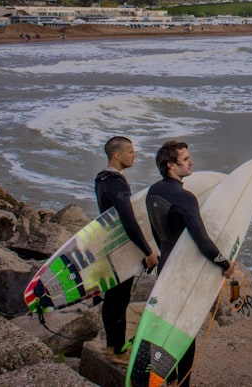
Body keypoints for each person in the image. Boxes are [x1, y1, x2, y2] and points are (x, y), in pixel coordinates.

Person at [146, 140, 235, 387]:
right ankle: (181, 383)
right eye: (185, 159)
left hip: (165, 267)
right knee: (185, 330)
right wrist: (224, 264)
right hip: (183, 272)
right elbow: (202, 241)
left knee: (165, 326)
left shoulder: (153, 191)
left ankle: (169, 378)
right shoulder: (185, 198)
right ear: (171, 166)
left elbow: (158, 233)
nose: (191, 162)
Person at [94, 136, 159, 366]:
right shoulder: (116, 182)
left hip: (109, 248)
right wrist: (147, 250)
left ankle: (111, 347)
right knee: (119, 300)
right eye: (130, 151)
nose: (135, 155)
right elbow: (127, 220)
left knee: (112, 298)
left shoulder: (101, 180)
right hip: (122, 250)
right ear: (117, 155)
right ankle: (118, 351)